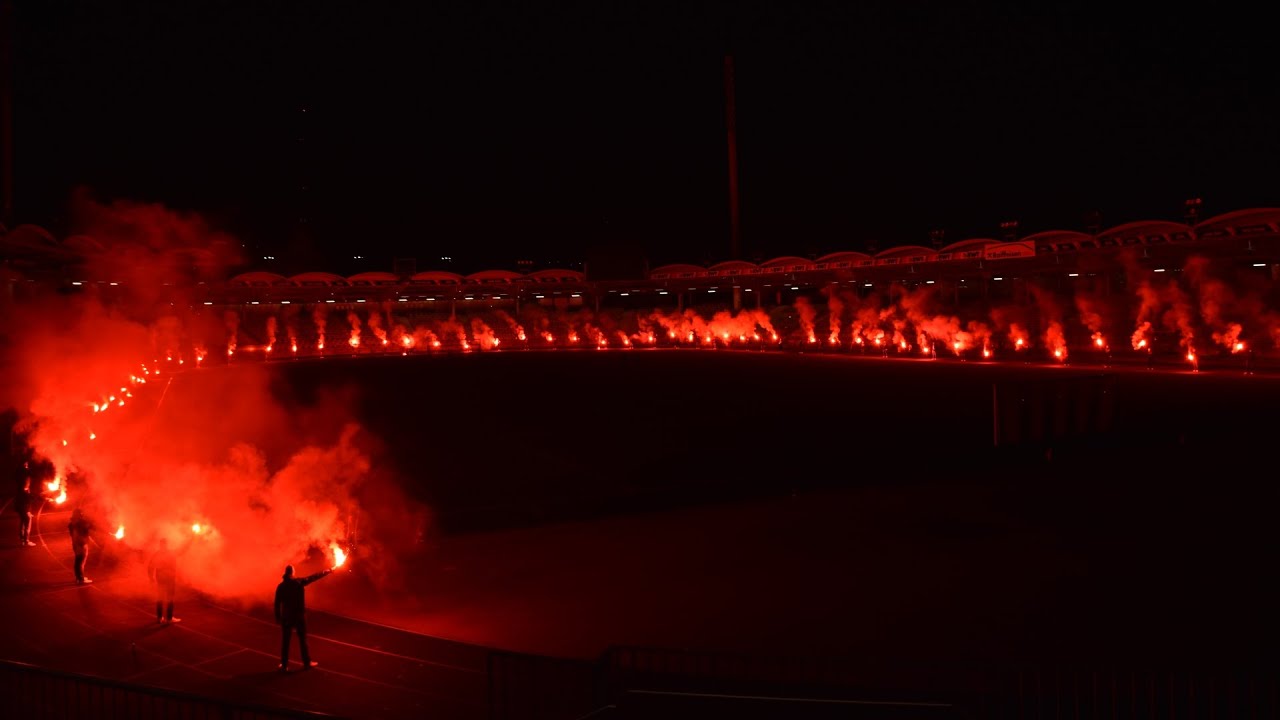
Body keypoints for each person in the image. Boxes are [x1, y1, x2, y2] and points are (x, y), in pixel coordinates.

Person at [274, 564, 333, 672]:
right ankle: (307, 662)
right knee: (302, 640)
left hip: (286, 617)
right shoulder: (298, 582)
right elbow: (313, 577)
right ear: (292, 572)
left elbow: (277, 603)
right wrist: (328, 571)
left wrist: (278, 617)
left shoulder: (281, 586)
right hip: (298, 616)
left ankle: (284, 665)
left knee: (285, 642)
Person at [148, 538, 180, 624]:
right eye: (164, 544)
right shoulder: (170, 553)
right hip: (168, 579)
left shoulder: (157, 554)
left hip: (162, 579)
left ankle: (160, 618)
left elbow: (150, 566)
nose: (164, 546)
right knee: (168, 598)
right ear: (165, 544)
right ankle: (168, 618)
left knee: (161, 598)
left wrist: (151, 578)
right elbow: (151, 566)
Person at [68, 507, 95, 585]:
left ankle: (78, 577)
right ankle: (81, 579)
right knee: (81, 562)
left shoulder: (71, 523)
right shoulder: (82, 523)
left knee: (77, 561)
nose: (82, 515)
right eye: (81, 514)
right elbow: (91, 527)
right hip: (81, 544)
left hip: (75, 544)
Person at [14, 463, 36, 547]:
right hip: (23, 507)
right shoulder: (24, 488)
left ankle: (22, 540)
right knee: (27, 521)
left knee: (23, 522)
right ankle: (26, 540)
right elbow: (27, 499)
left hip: (21, 507)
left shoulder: (21, 484)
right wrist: (27, 511)